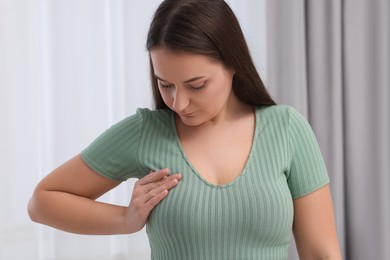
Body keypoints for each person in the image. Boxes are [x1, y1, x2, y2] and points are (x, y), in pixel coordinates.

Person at [28, 0, 342, 259]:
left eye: (196, 85)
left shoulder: (286, 129)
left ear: (233, 63)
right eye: (166, 85)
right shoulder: (145, 133)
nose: (179, 103)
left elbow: (321, 252)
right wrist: (125, 219)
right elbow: (43, 201)